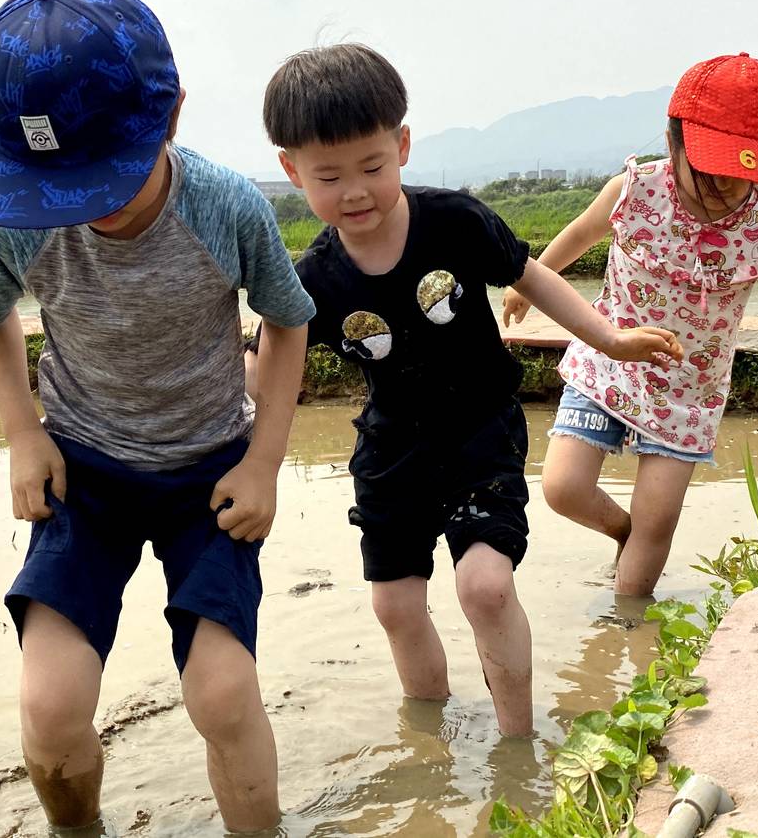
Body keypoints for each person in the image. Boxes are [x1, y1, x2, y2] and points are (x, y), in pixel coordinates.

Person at [0, 0, 313, 834]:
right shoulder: (16, 219)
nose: (81, 207)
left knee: (223, 695)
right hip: (83, 470)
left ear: (171, 116)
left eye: (100, 180)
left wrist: (264, 463)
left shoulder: (226, 207)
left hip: (210, 474)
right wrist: (22, 434)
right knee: (50, 706)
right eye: (57, 187)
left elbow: (287, 321)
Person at [252, 44, 682, 737]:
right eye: (329, 176)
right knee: (394, 607)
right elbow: (269, 368)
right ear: (291, 170)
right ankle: (432, 747)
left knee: (485, 586)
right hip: (391, 449)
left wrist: (609, 338)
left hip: (479, 429)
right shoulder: (312, 281)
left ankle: (517, 742)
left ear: (402, 145)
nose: (355, 191)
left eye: (372, 167)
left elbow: (528, 274)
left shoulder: (454, 221)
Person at [502, 53, 758, 597]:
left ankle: (627, 621)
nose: (723, 189)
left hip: (688, 390)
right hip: (611, 360)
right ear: (671, 141)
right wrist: (529, 279)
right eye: (709, 173)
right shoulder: (634, 190)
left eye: (739, 176)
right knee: (563, 489)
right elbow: (580, 234)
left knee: (658, 521)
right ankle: (621, 531)